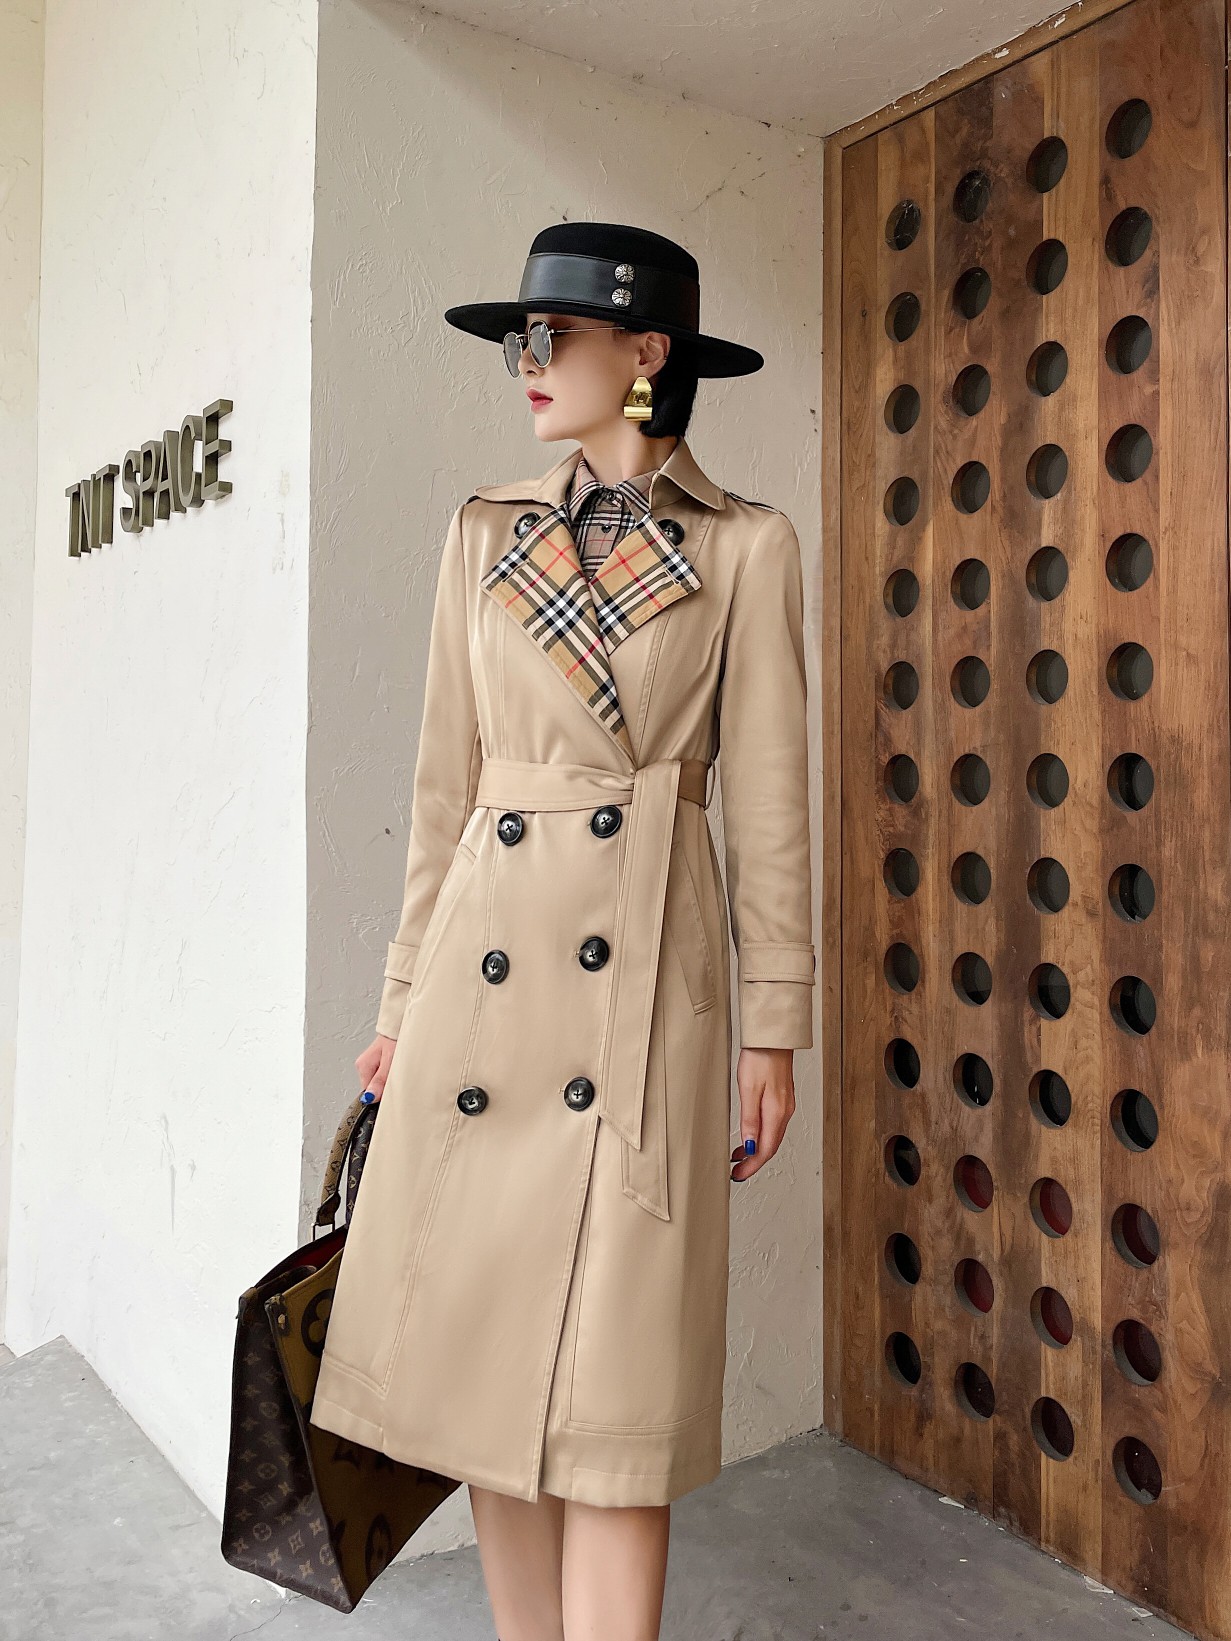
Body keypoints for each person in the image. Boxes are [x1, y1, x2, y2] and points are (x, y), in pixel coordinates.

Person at [308, 222, 816, 1641]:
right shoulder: (484, 533)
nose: (525, 364)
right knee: (488, 1385)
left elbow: (770, 802)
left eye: (553, 338)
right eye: (518, 341)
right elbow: (445, 794)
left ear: (646, 353)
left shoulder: (747, 547)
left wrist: (775, 1023)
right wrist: (402, 1000)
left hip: (643, 993)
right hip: (482, 997)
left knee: (613, 1412)